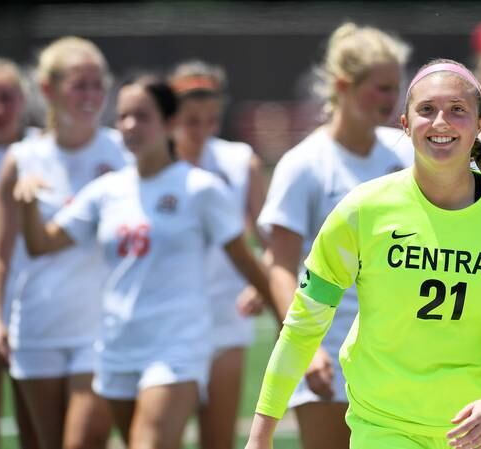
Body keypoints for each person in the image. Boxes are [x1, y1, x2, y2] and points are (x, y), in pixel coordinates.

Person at [246, 58, 481, 449]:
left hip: (480, 434)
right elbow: (303, 324)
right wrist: (260, 435)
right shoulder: (362, 210)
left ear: (479, 126)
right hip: (384, 427)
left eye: (457, 110)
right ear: (405, 123)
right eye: (426, 110)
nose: (441, 122)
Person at [13, 75, 273, 449]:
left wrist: (290, 325)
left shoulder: (199, 188)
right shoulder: (106, 191)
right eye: (123, 117)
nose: (130, 125)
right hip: (117, 346)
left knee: (147, 444)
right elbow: (41, 244)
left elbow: (246, 261)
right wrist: (26, 205)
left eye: (142, 116)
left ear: (169, 123)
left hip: (176, 347)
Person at [256, 22, 410, 449]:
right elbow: (282, 268)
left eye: (394, 87)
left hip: (396, 354)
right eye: (380, 88)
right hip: (328, 350)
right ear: (343, 86)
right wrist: (308, 346)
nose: (390, 99)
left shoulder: (406, 155)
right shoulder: (304, 164)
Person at [0, 36, 123, 449]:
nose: (91, 96)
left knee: (82, 442)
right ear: (48, 90)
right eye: (80, 85)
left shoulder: (120, 153)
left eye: (98, 85)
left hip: (98, 330)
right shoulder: (23, 159)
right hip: (37, 327)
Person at [169, 59, 268, 449]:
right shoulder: (151, 164)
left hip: (226, 316)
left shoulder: (240, 160)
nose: (202, 130)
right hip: (169, 323)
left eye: (211, 119)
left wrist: (261, 284)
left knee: (219, 439)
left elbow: (268, 237)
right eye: (191, 119)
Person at [0, 56, 39, 449]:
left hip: (38, 306)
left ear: (24, 98)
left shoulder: (45, 150)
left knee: (36, 430)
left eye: (7, 97)